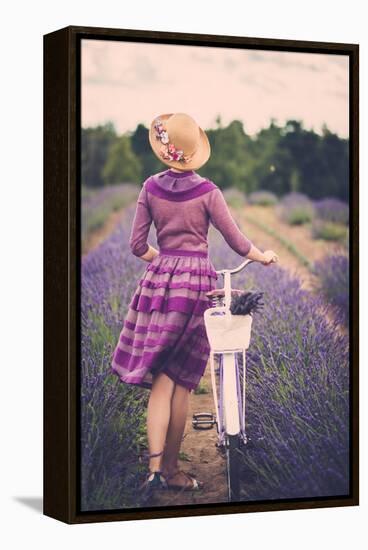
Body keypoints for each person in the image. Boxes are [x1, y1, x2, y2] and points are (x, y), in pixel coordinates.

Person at [110, 112, 278, 493]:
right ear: (194, 152)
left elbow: (137, 246)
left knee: (160, 382)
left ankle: (153, 470)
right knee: (181, 381)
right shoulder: (208, 192)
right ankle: (172, 471)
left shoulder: (150, 188)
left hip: (158, 286)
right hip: (196, 286)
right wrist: (263, 256)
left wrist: (166, 262)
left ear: (165, 150)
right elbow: (237, 241)